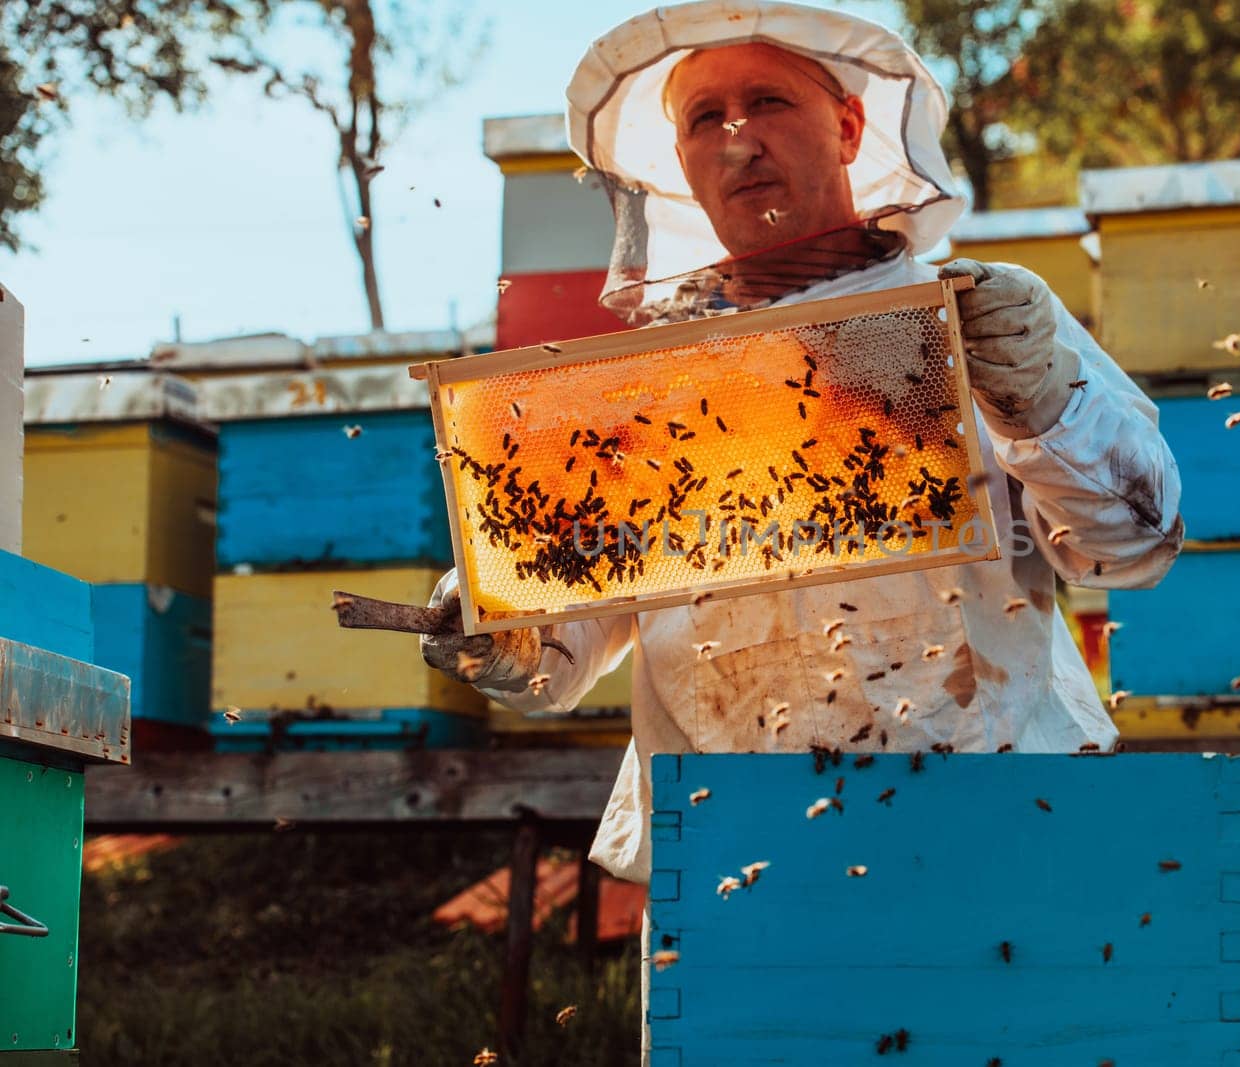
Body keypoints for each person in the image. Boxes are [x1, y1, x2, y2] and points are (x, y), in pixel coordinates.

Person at [425, 0, 1180, 954]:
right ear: (681, 167)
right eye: (705, 118)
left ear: (850, 127)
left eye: (768, 101)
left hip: (988, 814)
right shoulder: (648, 390)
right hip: (731, 847)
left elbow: (1134, 545)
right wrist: (497, 629)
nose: (738, 139)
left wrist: (1045, 398)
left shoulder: (978, 319)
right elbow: (564, 651)